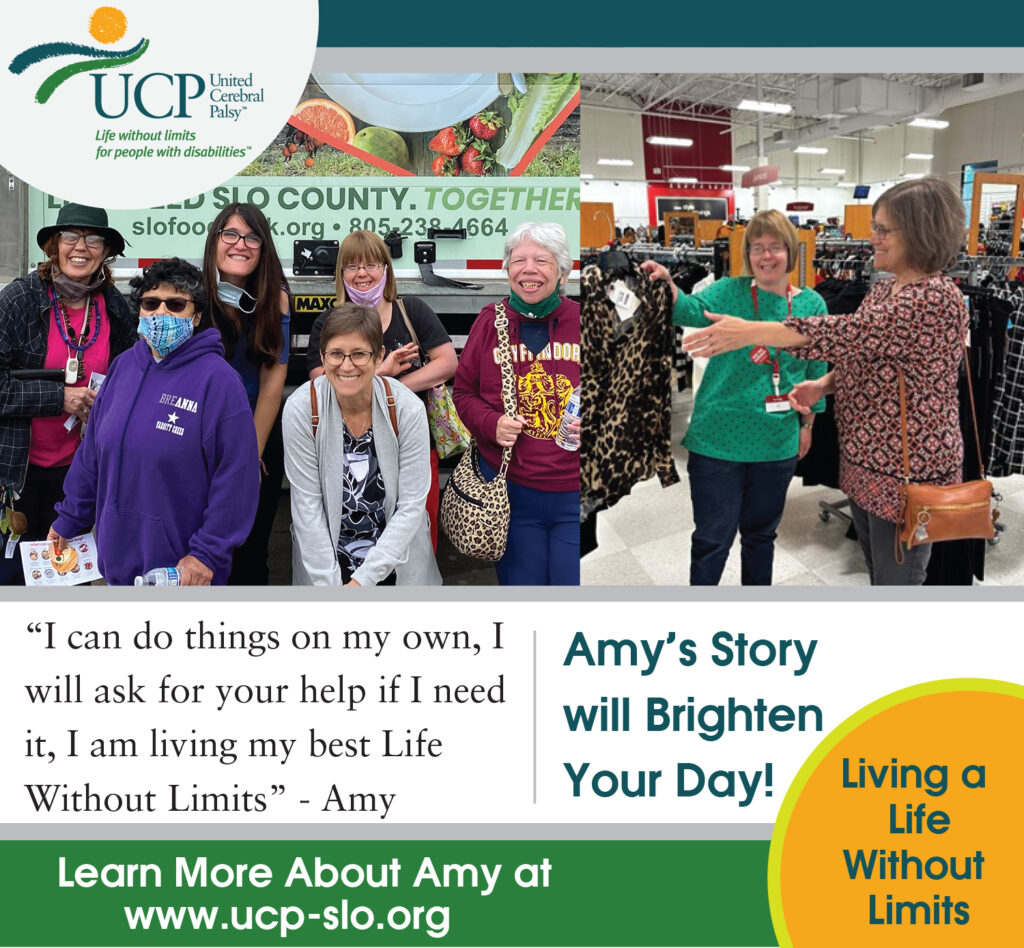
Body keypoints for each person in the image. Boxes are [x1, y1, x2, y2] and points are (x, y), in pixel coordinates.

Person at [678, 177, 969, 586]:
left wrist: (749, 331)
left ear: (920, 231)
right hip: (869, 467)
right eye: (875, 227)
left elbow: (840, 335)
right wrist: (824, 386)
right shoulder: (885, 292)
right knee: (880, 573)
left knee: (898, 583)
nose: (874, 238)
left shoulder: (932, 300)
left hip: (906, 474)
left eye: (884, 229)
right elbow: (864, 355)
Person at [642, 209, 829, 586]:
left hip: (776, 440)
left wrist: (807, 424)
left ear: (791, 252)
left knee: (761, 538)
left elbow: (815, 369)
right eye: (757, 248)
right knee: (712, 540)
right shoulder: (730, 291)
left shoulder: (812, 305)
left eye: (775, 247)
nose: (766, 256)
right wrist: (668, 285)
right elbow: (689, 310)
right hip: (718, 440)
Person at [48, 258, 259, 586]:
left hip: (182, 575)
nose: (161, 313)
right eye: (151, 303)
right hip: (115, 566)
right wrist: (69, 518)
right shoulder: (123, 368)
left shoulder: (219, 382)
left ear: (197, 315)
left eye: (176, 304)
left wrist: (207, 554)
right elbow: (92, 455)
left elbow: (236, 480)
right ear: (140, 310)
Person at [0, 203, 136, 585]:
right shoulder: (20, 301)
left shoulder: (114, 306)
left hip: (82, 474)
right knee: (13, 580)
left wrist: (108, 407)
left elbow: (132, 378)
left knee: (67, 580)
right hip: (16, 474)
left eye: (94, 239)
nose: (82, 247)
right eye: (71, 236)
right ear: (54, 247)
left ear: (106, 251)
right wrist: (58, 398)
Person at [306, 229, 458, 550]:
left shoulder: (411, 310)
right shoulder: (328, 322)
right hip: (351, 456)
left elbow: (446, 362)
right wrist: (379, 372)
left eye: (371, 264)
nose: (362, 273)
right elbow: (320, 384)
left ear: (386, 270)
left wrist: (392, 388)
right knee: (357, 544)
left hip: (413, 448)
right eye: (352, 266)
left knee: (416, 538)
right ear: (342, 273)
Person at [453, 221, 581, 585]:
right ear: (507, 269)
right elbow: (463, 393)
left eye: (542, 260)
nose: (528, 269)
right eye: (518, 260)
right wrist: (490, 423)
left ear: (562, 272)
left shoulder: (585, 320)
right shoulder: (488, 323)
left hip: (575, 492)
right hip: (509, 493)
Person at [284, 303, 440, 586]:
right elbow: (307, 507)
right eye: (335, 354)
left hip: (397, 564)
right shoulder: (302, 409)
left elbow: (411, 506)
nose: (346, 365)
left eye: (359, 354)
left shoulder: (407, 409)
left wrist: (361, 583)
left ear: (379, 355)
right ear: (322, 355)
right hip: (326, 571)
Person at [202, 203, 291, 585]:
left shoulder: (277, 299)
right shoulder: (192, 296)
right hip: (199, 434)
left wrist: (246, 459)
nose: (241, 244)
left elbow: (274, 383)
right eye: (231, 234)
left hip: (255, 433)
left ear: (264, 247)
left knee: (250, 554)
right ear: (215, 241)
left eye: (252, 236)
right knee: (197, 550)